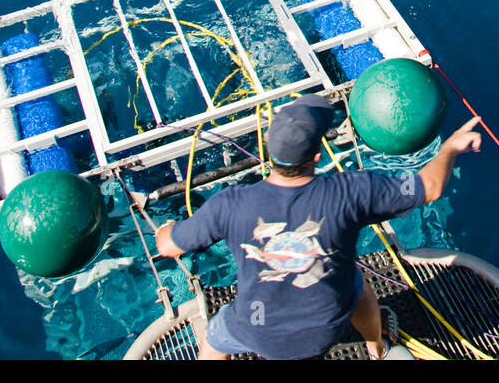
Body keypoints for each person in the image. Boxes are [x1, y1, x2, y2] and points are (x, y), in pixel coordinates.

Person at [155, 92, 482, 360]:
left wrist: (165, 229)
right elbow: (430, 187)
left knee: (214, 340)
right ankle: (377, 346)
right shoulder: (352, 192)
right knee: (356, 284)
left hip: (258, 330)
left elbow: (169, 247)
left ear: (268, 144)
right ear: (315, 156)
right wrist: (450, 146)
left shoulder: (229, 204)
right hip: (327, 326)